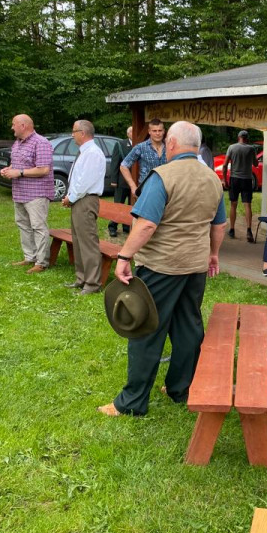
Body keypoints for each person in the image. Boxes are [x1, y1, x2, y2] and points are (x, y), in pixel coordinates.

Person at [98, 121, 226, 417]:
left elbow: (146, 224)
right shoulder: (212, 178)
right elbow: (219, 225)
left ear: (171, 144)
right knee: (188, 327)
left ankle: (132, 402)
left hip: (162, 267)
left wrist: (124, 256)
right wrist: (213, 254)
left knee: (145, 330)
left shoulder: (162, 176)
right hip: (195, 266)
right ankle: (181, 388)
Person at [1, 114, 55, 273]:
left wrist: (19, 173)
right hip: (20, 192)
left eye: (14, 124)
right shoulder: (17, 143)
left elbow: (43, 169)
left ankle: (41, 262)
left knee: (38, 226)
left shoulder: (41, 143)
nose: (12, 127)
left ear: (23, 126)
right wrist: (9, 169)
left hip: (36, 193)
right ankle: (30, 257)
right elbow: (18, 164)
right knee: (23, 225)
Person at [61, 120, 106, 295]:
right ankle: (81, 279)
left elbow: (84, 182)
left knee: (88, 243)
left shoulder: (93, 153)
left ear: (83, 133)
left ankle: (93, 284)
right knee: (78, 241)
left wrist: (70, 198)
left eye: (74, 131)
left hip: (85, 200)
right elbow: (78, 179)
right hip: (80, 199)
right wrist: (71, 196)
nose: (72, 135)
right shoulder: (85, 152)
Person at [223, 130, 257, 243]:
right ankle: (249, 230)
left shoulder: (232, 148)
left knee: (233, 204)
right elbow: (256, 164)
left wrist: (224, 180)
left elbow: (225, 165)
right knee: (247, 205)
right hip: (247, 179)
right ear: (247, 138)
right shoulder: (251, 149)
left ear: (238, 137)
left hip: (234, 179)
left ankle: (232, 230)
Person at [120, 118, 166, 196]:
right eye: (154, 131)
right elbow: (123, 166)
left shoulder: (170, 147)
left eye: (160, 130)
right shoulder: (141, 147)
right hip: (146, 191)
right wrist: (133, 186)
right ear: (149, 131)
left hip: (166, 190)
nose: (157, 133)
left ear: (163, 131)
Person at [108, 125, 133, 237]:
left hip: (134, 182)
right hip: (122, 181)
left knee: (131, 206)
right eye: (131, 132)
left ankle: (127, 226)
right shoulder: (120, 144)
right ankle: (112, 226)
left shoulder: (140, 144)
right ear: (128, 134)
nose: (133, 133)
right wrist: (114, 180)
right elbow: (115, 162)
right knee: (118, 205)